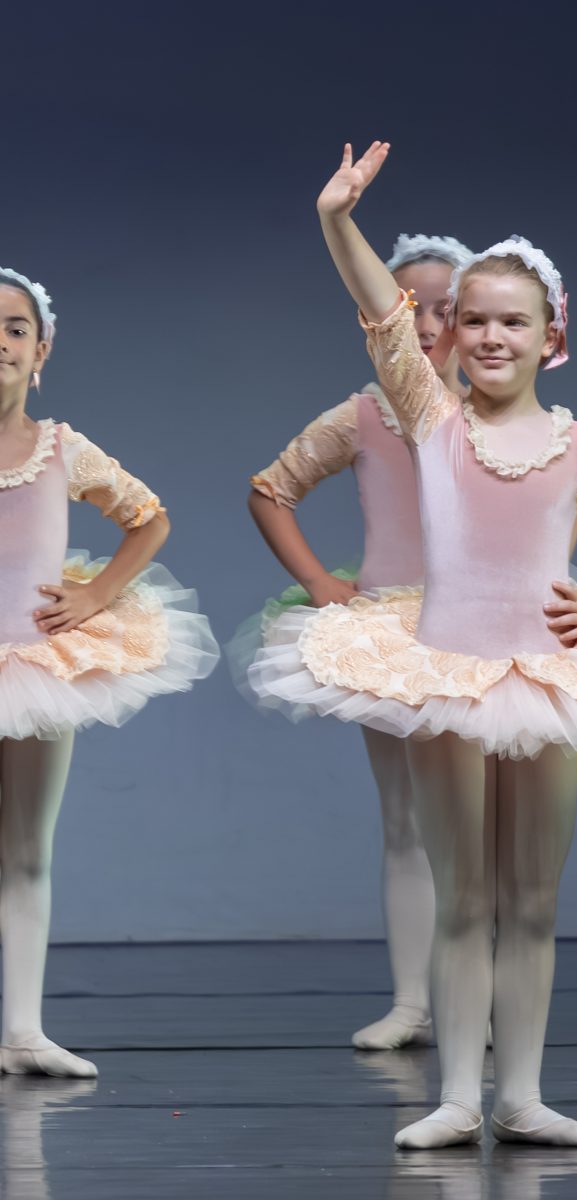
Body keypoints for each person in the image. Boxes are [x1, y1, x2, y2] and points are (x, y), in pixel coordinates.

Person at [250, 143, 577, 1149]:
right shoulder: (429, 419)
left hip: (548, 680)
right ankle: (453, 1099)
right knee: (462, 893)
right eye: (471, 318)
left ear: (550, 334)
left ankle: (520, 1096)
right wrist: (336, 218)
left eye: (511, 321)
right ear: (447, 333)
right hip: (447, 672)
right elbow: (382, 314)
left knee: (531, 896)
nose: (486, 335)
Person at [230, 234, 473, 1050]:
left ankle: (476, 998)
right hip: (388, 634)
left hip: (481, 631)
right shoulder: (365, 415)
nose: (427, 326)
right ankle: (412, 1002)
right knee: (405, 818)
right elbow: (272, 490)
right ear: (375, 317)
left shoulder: (493, 417)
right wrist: (319, 581)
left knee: (476, 826)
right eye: (405, 309)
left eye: (444, 310)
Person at [0, 268, 219, 1077]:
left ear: (41, 352)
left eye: (16, 328)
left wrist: (97, 594)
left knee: (28, 847)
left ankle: (23, 1030)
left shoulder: (61, 449)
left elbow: (148, 518)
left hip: (37, 664)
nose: (0, 341)